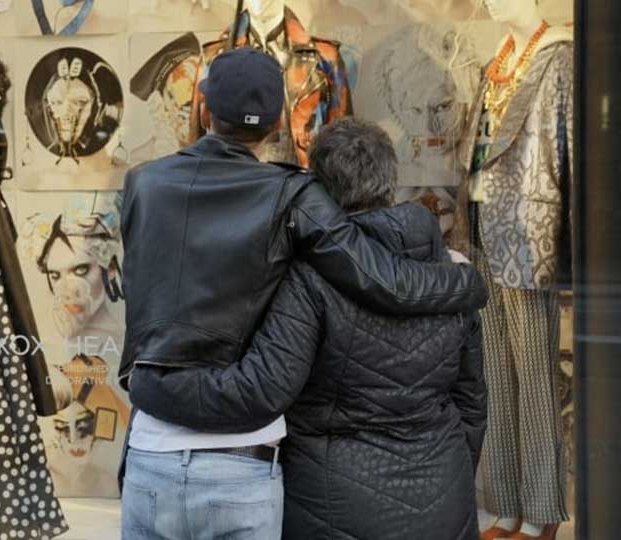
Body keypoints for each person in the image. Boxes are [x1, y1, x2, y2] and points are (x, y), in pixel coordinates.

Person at [119, 47, 488, 540]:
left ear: (204, 107)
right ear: (276, 124)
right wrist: (462, 280)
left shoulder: (143, 183)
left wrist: (145, 381)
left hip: (168, 449)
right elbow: (381, 278)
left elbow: (144, 300)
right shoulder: (289, 195)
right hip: (271, 462)